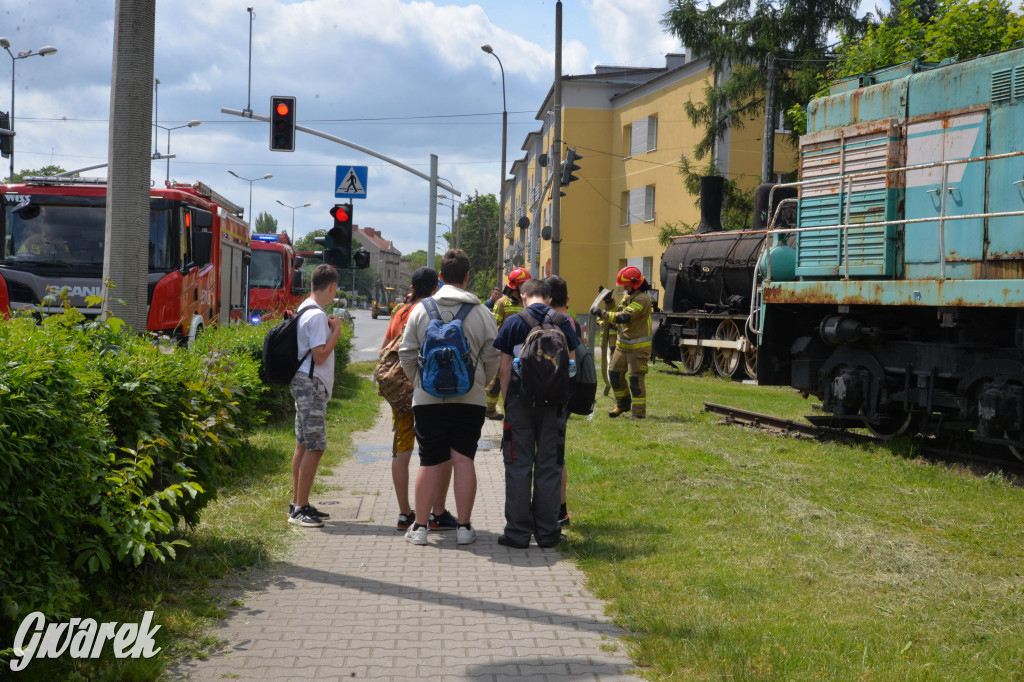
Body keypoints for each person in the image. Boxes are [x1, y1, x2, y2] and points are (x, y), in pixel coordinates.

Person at [398, 249, 499, 546]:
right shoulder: (481, 312)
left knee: (429, 461)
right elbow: (492, 355)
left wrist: (419, 382)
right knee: (463, 458)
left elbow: (406, 353)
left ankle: (419, 529)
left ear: (440, 278)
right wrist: (481, 381)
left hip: (428, 400)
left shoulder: (421, 309)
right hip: (471, 398)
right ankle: (465, 528)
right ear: (466, 277)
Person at [493, 278, 578, 549]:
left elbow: (504, 369)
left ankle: (517, 534)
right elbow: (573, 365)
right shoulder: (563, 322)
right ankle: (547, 533)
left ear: (522, 295)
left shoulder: (513, 322)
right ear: (549, 298)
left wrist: (508, 403)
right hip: (554, 406)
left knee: (519, 467)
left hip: (521, 403)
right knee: (549, 467)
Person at [382, 268, 458, 532]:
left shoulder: (399, 311)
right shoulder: (428, 311)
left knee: (401, 448)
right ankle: (437, 512)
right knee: (438, 450)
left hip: (399, 392)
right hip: (426, 390)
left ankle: (405, 513)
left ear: (412, 286)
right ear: (435, 287)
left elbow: (385, 349)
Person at [289, 264, 342, 528]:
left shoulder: (304, 308)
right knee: (316, 446)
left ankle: (299, 501)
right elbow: (320, 355)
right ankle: (300, 509)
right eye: (335, 288)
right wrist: (337, 333)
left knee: (303, 443)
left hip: (301, 381)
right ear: (331, 286)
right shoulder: (319, 316)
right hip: (311, 384)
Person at [591, 266, 653, 420]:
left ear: (635, 284)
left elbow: (624, 317)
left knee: (635, 381)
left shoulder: (643, 299)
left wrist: (602, 313)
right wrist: (609, 301)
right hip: (623, 347)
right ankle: (623, 404)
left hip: (637, 350)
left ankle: (638, 414)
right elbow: (618, 311)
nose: (624, 288)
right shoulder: (629, 296)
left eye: (626, 285)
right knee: (614, 374)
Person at [545, 275, 575, 527]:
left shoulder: (540, 318)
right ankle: (560, 510)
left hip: (535, 397)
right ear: (566, 298)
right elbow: (573, 364)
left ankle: (543, 507)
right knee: (557, 455)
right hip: (561, 397)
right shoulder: (570, 322)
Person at [485, 268, 531, 420]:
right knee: (497, 382)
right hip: (504, 349)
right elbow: (492, 325)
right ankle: (489, 410)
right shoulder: (502, 303)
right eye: (524, 284)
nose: (526, 287)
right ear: (515, 285)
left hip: (522, 349)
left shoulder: (527, 303)